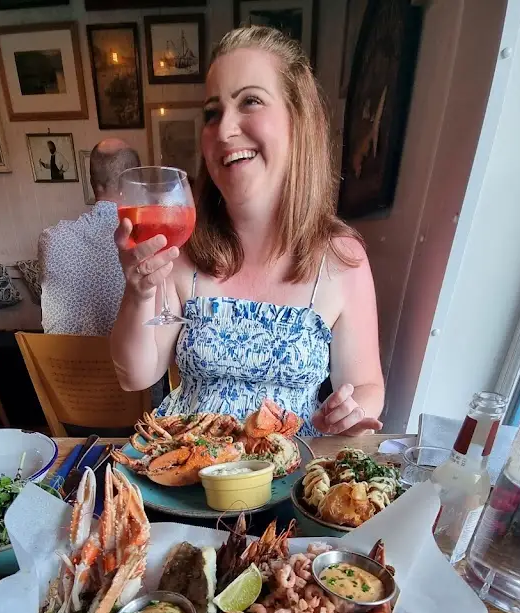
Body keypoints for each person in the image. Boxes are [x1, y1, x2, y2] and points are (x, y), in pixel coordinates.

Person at [109, 26, 384, 436]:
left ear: (298, 120)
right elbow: (135, 375)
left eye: (250, 101)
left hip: (288, 482)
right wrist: (140, 290)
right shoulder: (182, 248)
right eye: (213, 112)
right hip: (187, 477)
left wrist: (349, 412)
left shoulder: (342, 258)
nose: (223, 130)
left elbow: (366, 386)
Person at [39, 139, 140, 336]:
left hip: (58, 365)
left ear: (92, 183)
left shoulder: (49, 239)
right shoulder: (145, 239)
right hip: (122, 364)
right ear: (134, 184)